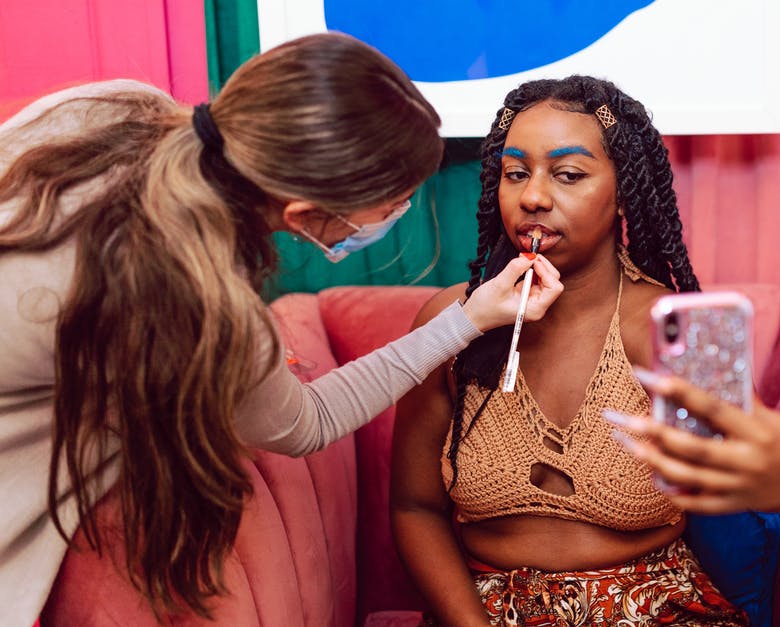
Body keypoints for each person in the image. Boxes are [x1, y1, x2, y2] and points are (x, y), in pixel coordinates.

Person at [0, 33, 563, 625]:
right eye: (393, 202)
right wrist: (468, 319)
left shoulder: (108, 109)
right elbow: (309, 421)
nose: (397, 214)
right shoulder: (195, 306)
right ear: (300, 214)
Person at [390, 76, 780, 626]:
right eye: (516, 173)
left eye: (569, 175)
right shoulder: (450, 326)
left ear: (623, 190)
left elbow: (772, 466)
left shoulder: (675, 330)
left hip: (652, 610)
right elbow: (415, 508)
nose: (533, 196)